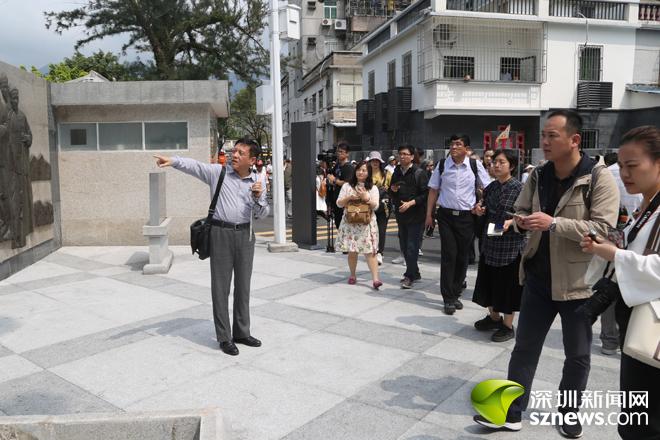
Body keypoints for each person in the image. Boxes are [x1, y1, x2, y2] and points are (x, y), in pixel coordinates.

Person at [474, 110, 619, 437]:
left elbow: (603, 229)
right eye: (543, 135)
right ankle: (511, 411)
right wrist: (521, 220)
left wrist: (554, 223)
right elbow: (522, 210)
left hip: (579, 285)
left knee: (577, 355)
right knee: (524, 347)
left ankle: (569, 413)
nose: (545, 141)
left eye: (553, 135)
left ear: (575, 140)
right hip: (538, 278)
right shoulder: (539, 175)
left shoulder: (597, 177)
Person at [153, 138, 269, 356]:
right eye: (234, 151)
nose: (235, 155)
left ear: (252, 160)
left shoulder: (257, 181)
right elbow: (195, 166)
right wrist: (173, 161)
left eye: (241, 153)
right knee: (221, 287)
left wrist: (257, 197)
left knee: (243, 286)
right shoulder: (219, 173)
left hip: (246, 235)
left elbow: (262, 214)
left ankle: (242, 332)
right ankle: (224, 337)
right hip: (220, 232)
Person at [581, 125, 660, 440]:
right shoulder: (647, 206)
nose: (624, 174)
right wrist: (608, 245)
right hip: (638, 322)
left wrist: (614, 254)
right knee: (636, 416)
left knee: (645, 423)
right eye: (621, 166)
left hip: (652, 327)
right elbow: (636, 250)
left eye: (633, 165)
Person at [426, 134, 491, 314]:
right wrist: (429, 215)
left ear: (467, 149)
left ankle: (455, 293)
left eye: (458, 144)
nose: (453, 147)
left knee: (463, 257)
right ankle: (448, 298)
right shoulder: (442, 165)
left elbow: (488, 188)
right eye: (452, 144)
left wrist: (480, 204)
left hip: (467, 218)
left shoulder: (474, 165)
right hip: (445, 216)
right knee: (449, 255)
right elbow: (433, 190)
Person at [472, 149, 526, 342]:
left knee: (507, 287)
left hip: (510, 245)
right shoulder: (491, 187)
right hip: (490, 240)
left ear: (512, 166)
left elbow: (528, 213)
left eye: (501, 162)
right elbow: (483, 207)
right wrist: (479, 209)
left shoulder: (520, 188)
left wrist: (512, 222)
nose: (496, 165)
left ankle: (507, 326)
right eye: (494, 162)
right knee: (488, 283)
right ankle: (494, 318)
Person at [598, 152, 643, 356]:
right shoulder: (644, 178)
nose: (625, 174)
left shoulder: (606, 173)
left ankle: (609, 340)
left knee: (611, 282)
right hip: (635, 233)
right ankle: (629, 338)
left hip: (613, 233)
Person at [335, 161, 382, 290]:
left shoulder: (373, 188)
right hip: (350, 223)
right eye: (359, 170)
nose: (360, 172)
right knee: (352, 250)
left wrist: (367, 198)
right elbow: (339, 203)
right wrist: (348, 198)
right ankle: (352, 275)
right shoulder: (347, 186)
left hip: (367, 224)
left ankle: (375, 279)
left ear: (369, 173)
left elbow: (376, 206)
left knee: (370, 251)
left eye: (364, 170)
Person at [389, 145, 429, 289]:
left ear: (412, 156)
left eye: (405, 154)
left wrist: (411, 203)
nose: (402, 156)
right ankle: (415, 272)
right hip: (401, 215)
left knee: (412, 246)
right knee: (404, 246)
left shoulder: (419, 173)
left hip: (416, 215)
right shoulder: (396, 171)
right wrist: (393, 190)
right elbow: (391, 191)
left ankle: (409, 276)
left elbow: (426, 194)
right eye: (400, 154)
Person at [368, 151, 391, 266]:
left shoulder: (386, 174)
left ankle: (380, 252)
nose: (375, 162)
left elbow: (393, 188)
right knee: (370, 230)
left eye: (377, 160)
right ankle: (372, 251)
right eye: (373, 160)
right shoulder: (365, 173)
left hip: (383, 205)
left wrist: (389, 190)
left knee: (381, 230)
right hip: (369, 205)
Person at [327, 142, 354, 229]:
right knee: (338, 224)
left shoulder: (349, 167)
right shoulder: (337, 166)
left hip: (344, 201)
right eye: (338, 151)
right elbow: (332, 177)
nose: (339, 153)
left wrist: (334, 180)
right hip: (336, 199)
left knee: (343, 226)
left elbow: (347, 183)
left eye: (341, 152)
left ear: (347, 154)